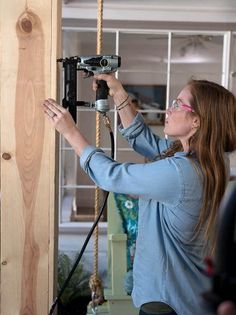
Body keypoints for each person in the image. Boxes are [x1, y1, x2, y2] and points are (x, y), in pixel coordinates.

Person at [42, 74, 236, 315]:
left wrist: (70, 132)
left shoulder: (181, 173)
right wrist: (119, 93)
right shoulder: (211, 161)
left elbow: (111, 175)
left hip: (167, 303)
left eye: (177, 104)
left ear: (196, 121)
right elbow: (147, 143)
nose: (168, 109)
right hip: (188, 297)